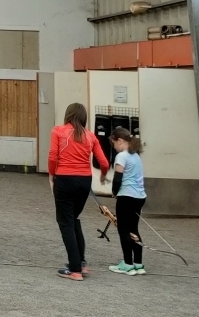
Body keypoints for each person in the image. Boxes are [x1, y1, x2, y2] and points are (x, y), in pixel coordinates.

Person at [48, 102, 110, 281]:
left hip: (65, 179)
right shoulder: (90, 136)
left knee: (65, 222)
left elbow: (53, 156)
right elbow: (104, 163)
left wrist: (51, 176)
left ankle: (75, 269)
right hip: (85, 181)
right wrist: (103, 177)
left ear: (68, 115)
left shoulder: (58, 131)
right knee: (73, 219)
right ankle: (81, 262)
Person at [109, 126, 147, 275]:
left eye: (113, 144)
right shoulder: (136, 155)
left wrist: (114, 192)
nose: (114, 147)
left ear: (119, 140)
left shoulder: (122, 156)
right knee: (133, 229)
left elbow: (117, 179)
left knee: (123, 230)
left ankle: (127, 264)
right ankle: (138, 263)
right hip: (139, 197)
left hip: (126, 196)